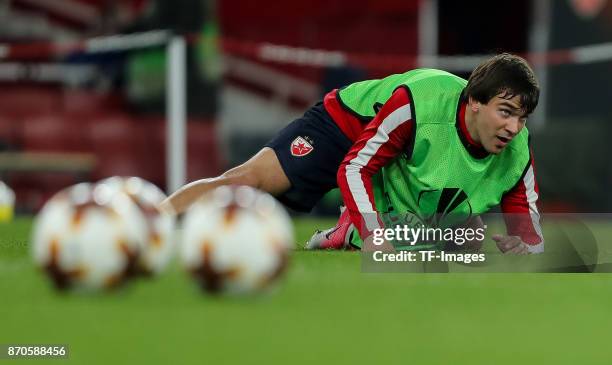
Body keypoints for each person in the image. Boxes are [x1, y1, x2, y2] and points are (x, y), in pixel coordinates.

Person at [159, 53, 543, 254]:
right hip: (346, 127)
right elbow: (356, 164)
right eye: (505, 112)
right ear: (474, 102)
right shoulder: (420, 103)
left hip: (391, 153)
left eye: (521, 117)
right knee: (247, 182)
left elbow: (532, 239)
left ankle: (345, 230)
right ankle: (150, 221)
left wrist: (524, 246)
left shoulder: (516, 147)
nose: (513, 127)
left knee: (468, 239)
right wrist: (375, 234)